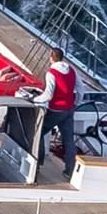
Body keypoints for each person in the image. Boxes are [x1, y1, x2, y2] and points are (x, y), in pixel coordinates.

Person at [33, 47, 79, 179]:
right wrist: (75, 103)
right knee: (69, 140)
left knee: (38, 132)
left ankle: (38, 163)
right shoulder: (72, 70)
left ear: (51, 57)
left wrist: (34, 99)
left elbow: (48, 95)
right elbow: (80, 89)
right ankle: (70, 171)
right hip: (69, 110)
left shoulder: (51, 72)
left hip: (55, 110)